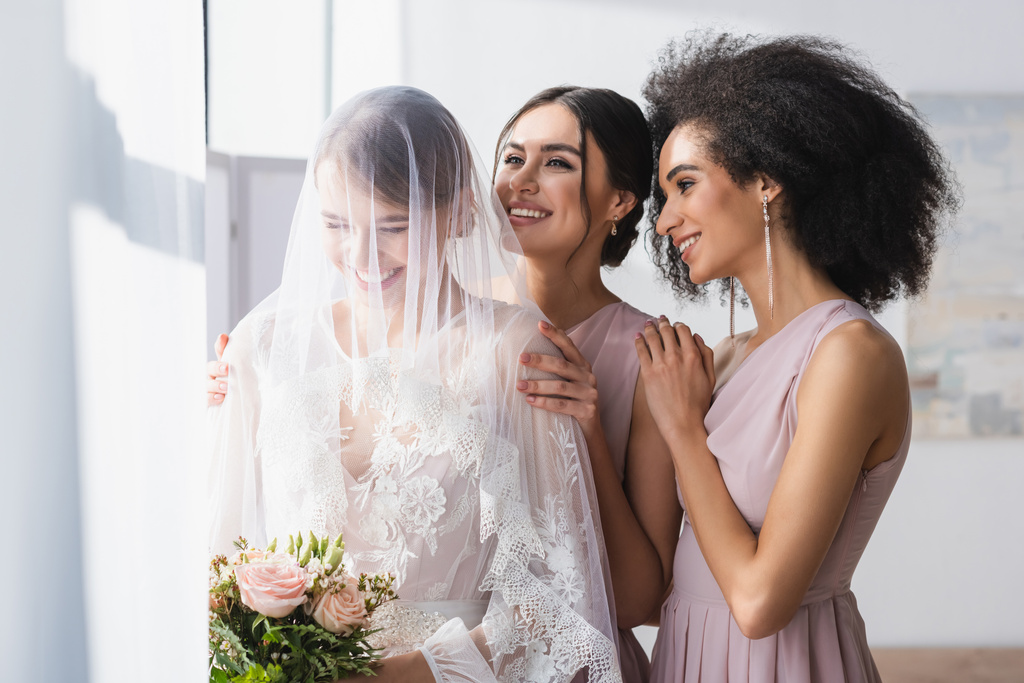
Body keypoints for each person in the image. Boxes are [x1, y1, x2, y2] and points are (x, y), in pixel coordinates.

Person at [208, 87, 683, 683]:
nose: (361, 254)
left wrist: (391, 676)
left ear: (460, 211)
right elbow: (213, 562)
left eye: (392, 226)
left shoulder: (520, 353)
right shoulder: (264, 348)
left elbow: (561, 599)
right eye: (336, 223)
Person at [634, 34, 959, 681]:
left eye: (684, 185)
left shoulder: (850, 354)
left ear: (766, 179)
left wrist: (681, 429)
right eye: (662, 195)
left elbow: (758, 603)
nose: (665, 219)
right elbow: (658, 577)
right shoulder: (723, 358)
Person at [495, 87, 682, 683]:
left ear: (620, 200)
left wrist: (587, 433)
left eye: (556, 163)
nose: (520, 181)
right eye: (511, 157)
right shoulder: (444, 319)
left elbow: (640, 603)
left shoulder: (652, 356)